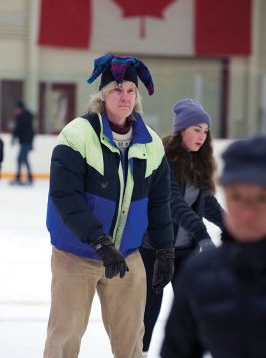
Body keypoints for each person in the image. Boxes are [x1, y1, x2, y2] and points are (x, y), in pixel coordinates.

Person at [43, 54, 175, 358]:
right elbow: (66, 197)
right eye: (117, 90)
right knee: (64, 338)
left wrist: (165, 250)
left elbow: (158, 203)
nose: (124, 97)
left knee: (131, 344)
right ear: (102, 96)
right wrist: (99, 241)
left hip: (127, 255)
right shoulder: (77, 135)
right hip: (76, 256)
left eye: (130, 90)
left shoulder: (151, 144)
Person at [161, 134, 266, 358]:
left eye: (261, 198)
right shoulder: (199, 273)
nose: (247, 212)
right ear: (225, 195)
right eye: (237, 197)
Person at [140, 98, 225, 355]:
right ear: (181, 130)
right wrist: (202, 233)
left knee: (193, 313)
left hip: (186, 253)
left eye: (206, 131)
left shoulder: (197, 162)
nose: (202, 136)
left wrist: (231, 225)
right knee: (148, 314)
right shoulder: (162, 159)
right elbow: (172, 203)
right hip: (156, 251)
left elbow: (206, 203)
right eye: (196, 129)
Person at [10, 101, 34, 185]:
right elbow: (30, 131)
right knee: (24, 159)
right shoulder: (26, 117)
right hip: (26, 142)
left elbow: (18, 129)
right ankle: (29, 178)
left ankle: (20, 178)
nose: (15, 110)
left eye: (16, 108)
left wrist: (13, 138)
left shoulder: (22, 117)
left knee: (21, 159)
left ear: (20, 108)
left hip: (25, 142)